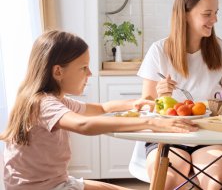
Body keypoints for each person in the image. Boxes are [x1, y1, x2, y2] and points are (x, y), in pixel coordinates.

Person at [0, 30, 197, 190]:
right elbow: (83, 124)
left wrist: (137, 102)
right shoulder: (42, 103)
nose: (90, 73)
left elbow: (102, 108)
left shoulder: (57, 101)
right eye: (83, 67)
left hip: (57, 183)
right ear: (58, 71)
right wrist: (152, 122)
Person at [137, 0, 222, 190]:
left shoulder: (221, 49)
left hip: (212, 136)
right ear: (185, 14)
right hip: (168, 137)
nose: (214, 20)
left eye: (216, 13)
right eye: (207, 14)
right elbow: (145, 108)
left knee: (217, 183)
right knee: (168, 180)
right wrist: (160, 96)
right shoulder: (159, 51)